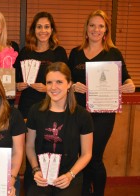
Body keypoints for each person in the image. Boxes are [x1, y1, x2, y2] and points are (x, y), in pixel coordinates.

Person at [68, 10, 136, 196]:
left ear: (106, 30)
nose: (96, 30)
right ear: (86, 28)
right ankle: (83, 192)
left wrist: (129, 85)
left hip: (104, 114)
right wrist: (73, 86)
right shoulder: (75, 53)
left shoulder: (113, 53)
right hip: (78, 113)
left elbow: (127, 79)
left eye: (100, 26)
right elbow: (66, 80)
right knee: (80, 157)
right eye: (92, 25)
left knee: (95, 157)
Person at [25, 62, 93, 196]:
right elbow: (29, 146)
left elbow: (86, 154)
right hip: (40, 175)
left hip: (69, 174)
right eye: (49, 82)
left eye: (59, 82)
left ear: (69, 84)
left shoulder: (82, 115)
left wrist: (70, 175)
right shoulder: (35, 111)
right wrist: (35, 170)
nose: (53, 87)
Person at [15, 12, 68, 118]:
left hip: (51, 105)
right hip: (27, 106)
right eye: (39, 27)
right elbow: (16, 78)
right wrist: (17, 86)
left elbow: (66, 83)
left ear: (52, 30)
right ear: (34, 30)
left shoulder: (59, 52)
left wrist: (47, 88)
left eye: (46, 27)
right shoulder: (25, 52)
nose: (43, 31)